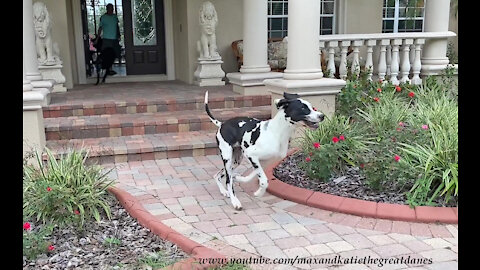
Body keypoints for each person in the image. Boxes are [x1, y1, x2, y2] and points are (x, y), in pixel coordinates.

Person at [97, 3, 121, 75]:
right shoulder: (103, 17)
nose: (112, 10)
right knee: (106, 55)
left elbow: (117, 26)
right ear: (107, 9)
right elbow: (100, 28)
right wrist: (97, 38)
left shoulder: (115, 17)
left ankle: (110, 68)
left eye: (112, 8)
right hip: (106, 39)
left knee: (115, 54)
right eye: (110, 8)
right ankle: (107, 69)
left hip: (114, 39)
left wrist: (118, 35)